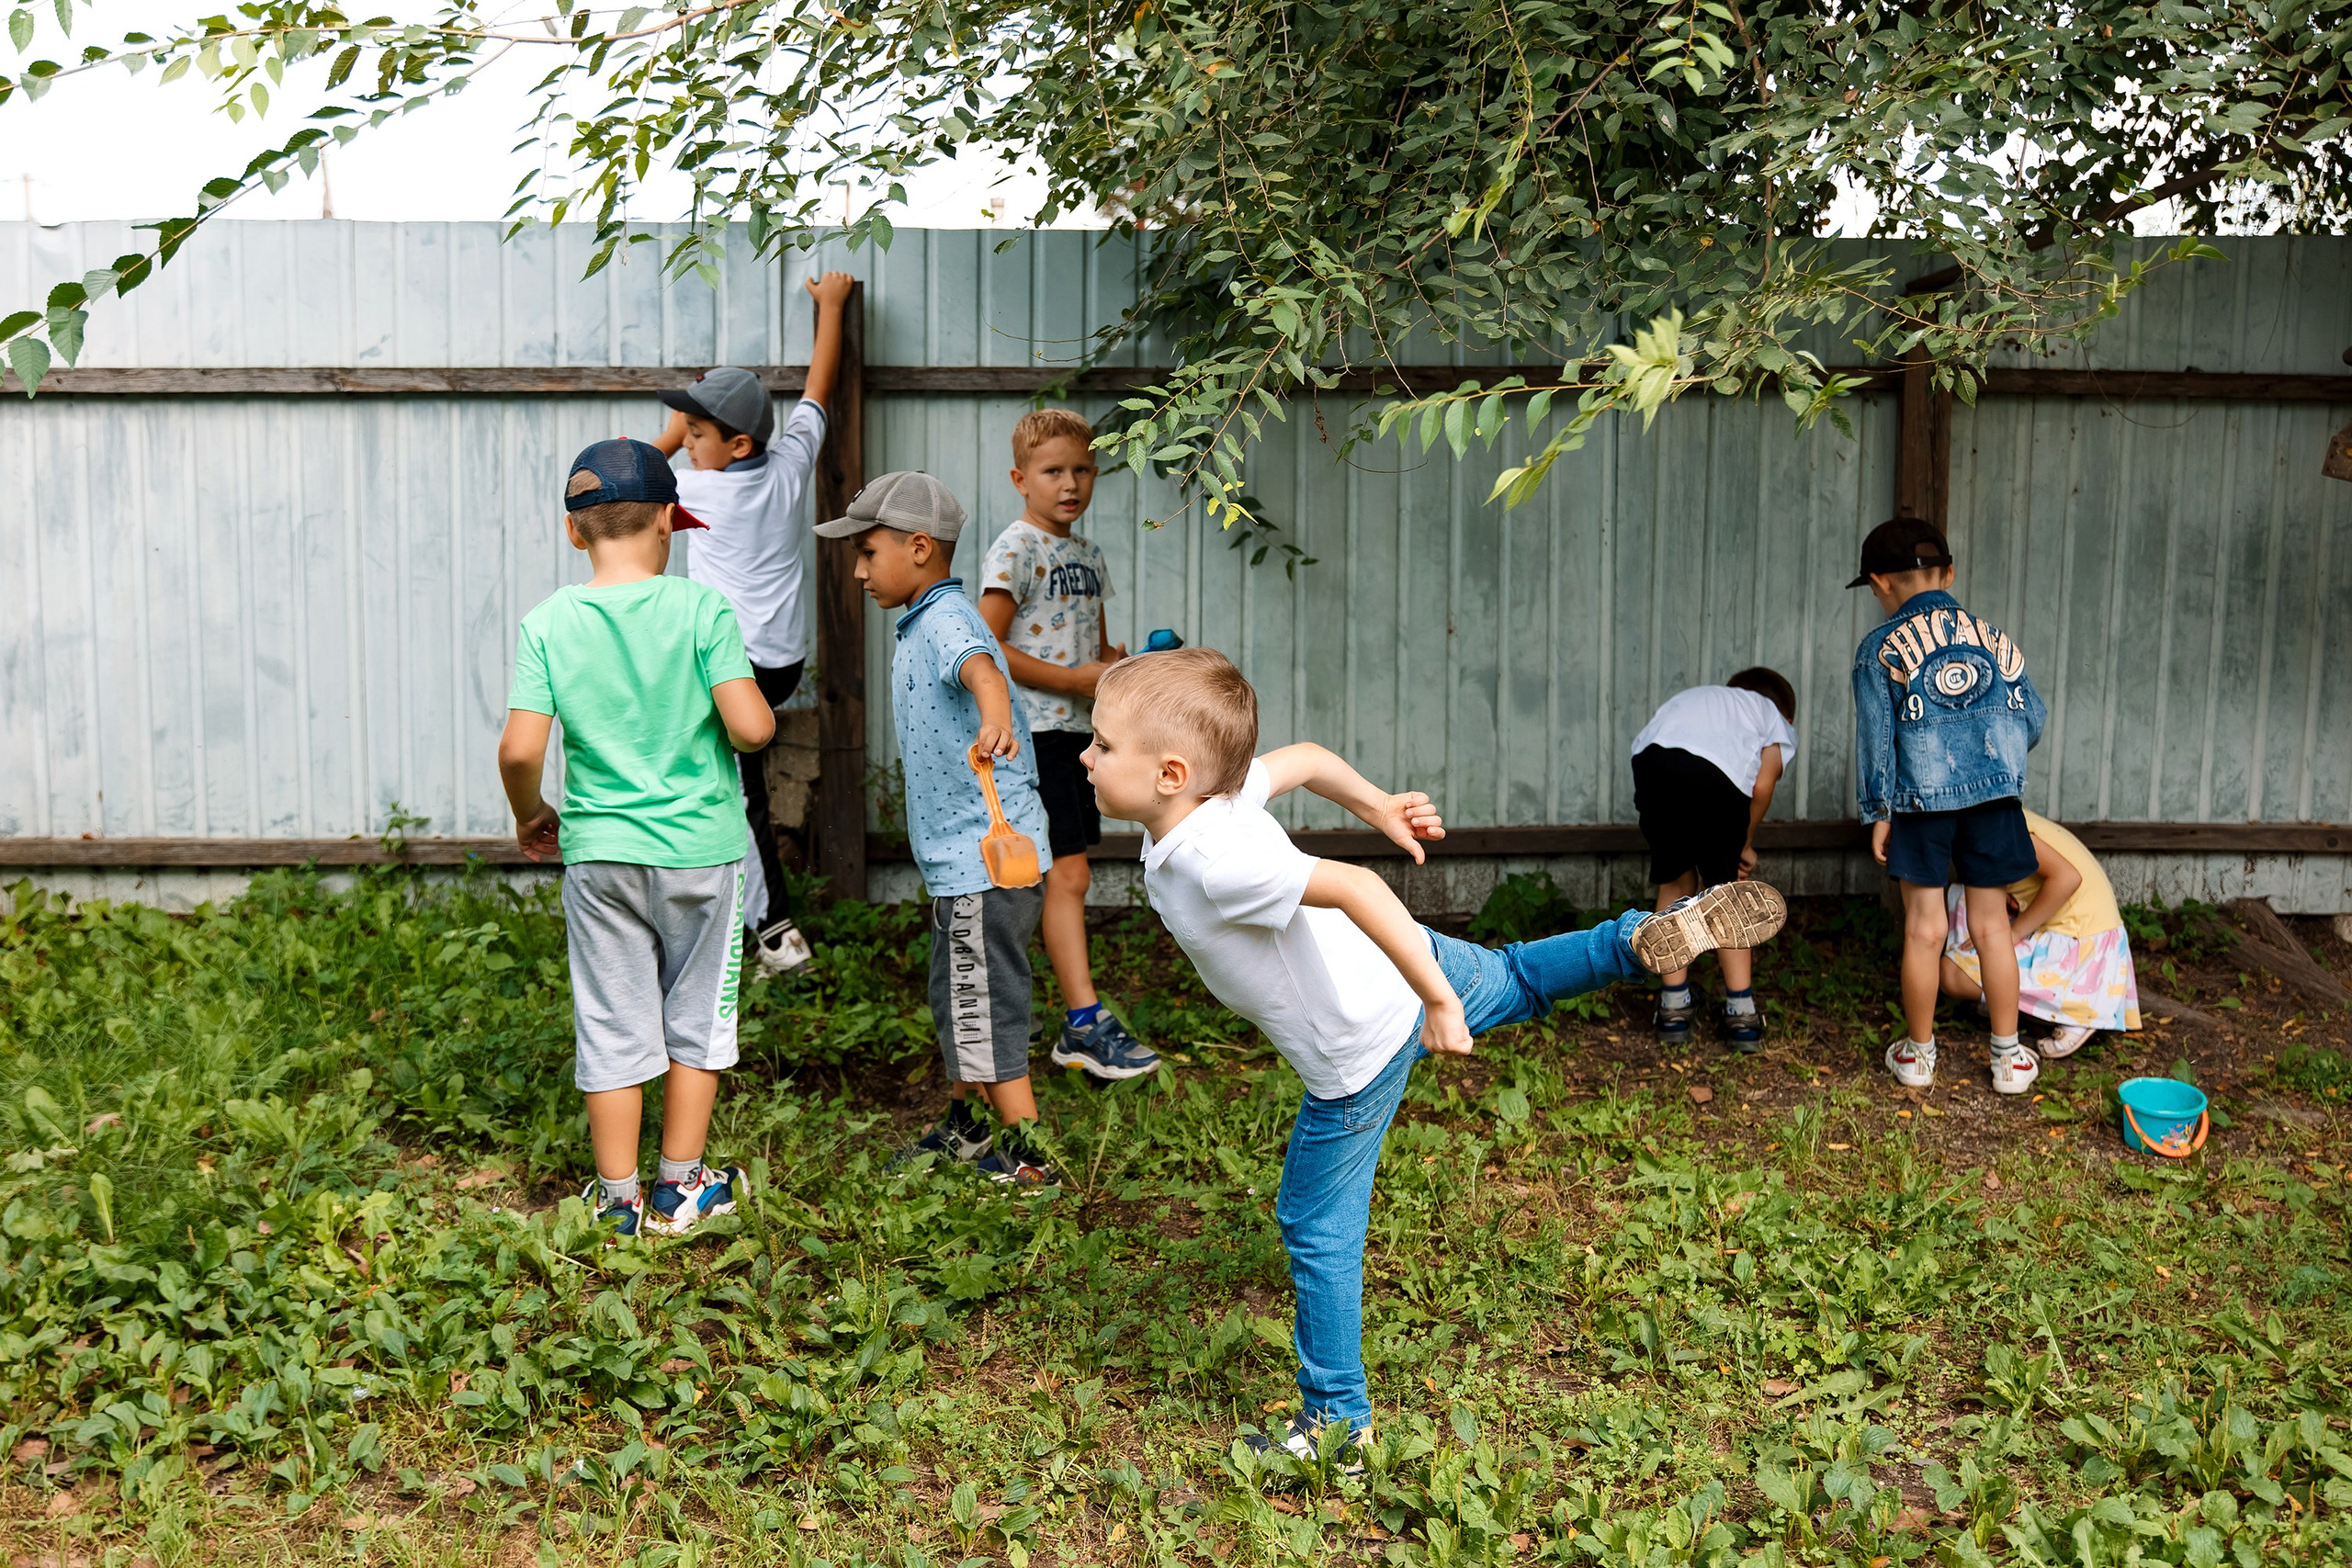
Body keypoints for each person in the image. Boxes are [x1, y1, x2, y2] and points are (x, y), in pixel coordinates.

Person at [1084, 648, 1786, 1460]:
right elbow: (1304, 758)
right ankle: (1635, 939)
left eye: (1101, 744)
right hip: (1407, 964)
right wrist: (1379, 805)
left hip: (1359, 1045)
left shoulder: (1218, 862)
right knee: (1519, 975)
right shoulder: (1218, 801)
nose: (1086, 756)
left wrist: (1442, 1003)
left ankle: (1338, 1425)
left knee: (1316, 1223)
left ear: (1171, 774)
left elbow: (1358, 887)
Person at [496, 439, 775, 1238]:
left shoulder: (548, 622)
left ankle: (617, 1200)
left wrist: (530, 812)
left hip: (600, 855)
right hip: (699, 852)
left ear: (573, 530)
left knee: (612, 1018)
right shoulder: (701, 610)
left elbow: (518, 750)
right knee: (697, 1013)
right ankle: (681, 1189)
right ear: (666, 521)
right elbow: (752, 729)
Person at [812, 470, 1060, 1186]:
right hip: (968, 861)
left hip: (984, 860)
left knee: (984, 1006)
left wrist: (996, 716)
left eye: (868, 553)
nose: (859, 571)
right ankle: (967, 1124)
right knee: (961, 995)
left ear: (919, 547)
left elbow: (983, 672)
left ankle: (1030, 1162)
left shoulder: (948, 619)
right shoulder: (926, 617)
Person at [651, 269, 858, 979]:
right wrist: (831, 307)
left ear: (737, 445)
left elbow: (634, 473)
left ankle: (775, 933)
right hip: (781, 661)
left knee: (739, 791)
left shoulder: (698, 490)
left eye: (698, 432)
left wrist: (670, 430)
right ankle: (734, 914)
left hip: (730, 663)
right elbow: (817, 391)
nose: (688, 442)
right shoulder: (791, 465)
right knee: (726, 777)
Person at [978, 408, 1159, 1083]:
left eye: (1083, 469)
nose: (1070, 483)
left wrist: (1116, 668)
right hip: (1033, 734)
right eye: (1053, 470)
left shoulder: (1087, 554)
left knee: (1062, 873)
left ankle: (1030, 1007)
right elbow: (985, 646)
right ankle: (1081, 1020)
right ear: (1020, 479)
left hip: (1080, 733)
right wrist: (1073, 679)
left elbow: (1096, 649)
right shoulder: (1017, 548)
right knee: (1067, 873)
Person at [1849, 517, 2049, 1095]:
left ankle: (1918, 1056)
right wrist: (1998, 766)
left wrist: (1878, 810)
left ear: (1878, 583)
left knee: (1924, 928)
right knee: (1991, 926)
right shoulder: (1994, 637)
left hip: (1919, 804)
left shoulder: (1879, 649)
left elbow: (1878, 739)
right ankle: (2008, 1059)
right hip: (1994, 801)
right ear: (1950, 573)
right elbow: (2033, 718)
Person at [1628, 667, 1799, 1051]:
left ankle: (1673, 1007)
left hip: (1651, 763)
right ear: (1787, 717)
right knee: (1727, 894)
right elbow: (1762, 785)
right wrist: (1744, 843)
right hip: (1715, 776)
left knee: (1676, 880)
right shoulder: (1772, 717)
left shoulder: (1705, 701)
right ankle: (1742, 1014)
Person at [1940, 808, 2143, 1056]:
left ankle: (2076, 1012)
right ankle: (2015, 1003)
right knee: (1964, 896)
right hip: (2077, 930)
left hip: (2080, 941)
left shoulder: (1997, 825)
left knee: (1952, 974)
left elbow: (2067, 877)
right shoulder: (1999, 815)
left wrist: (2014, 933)